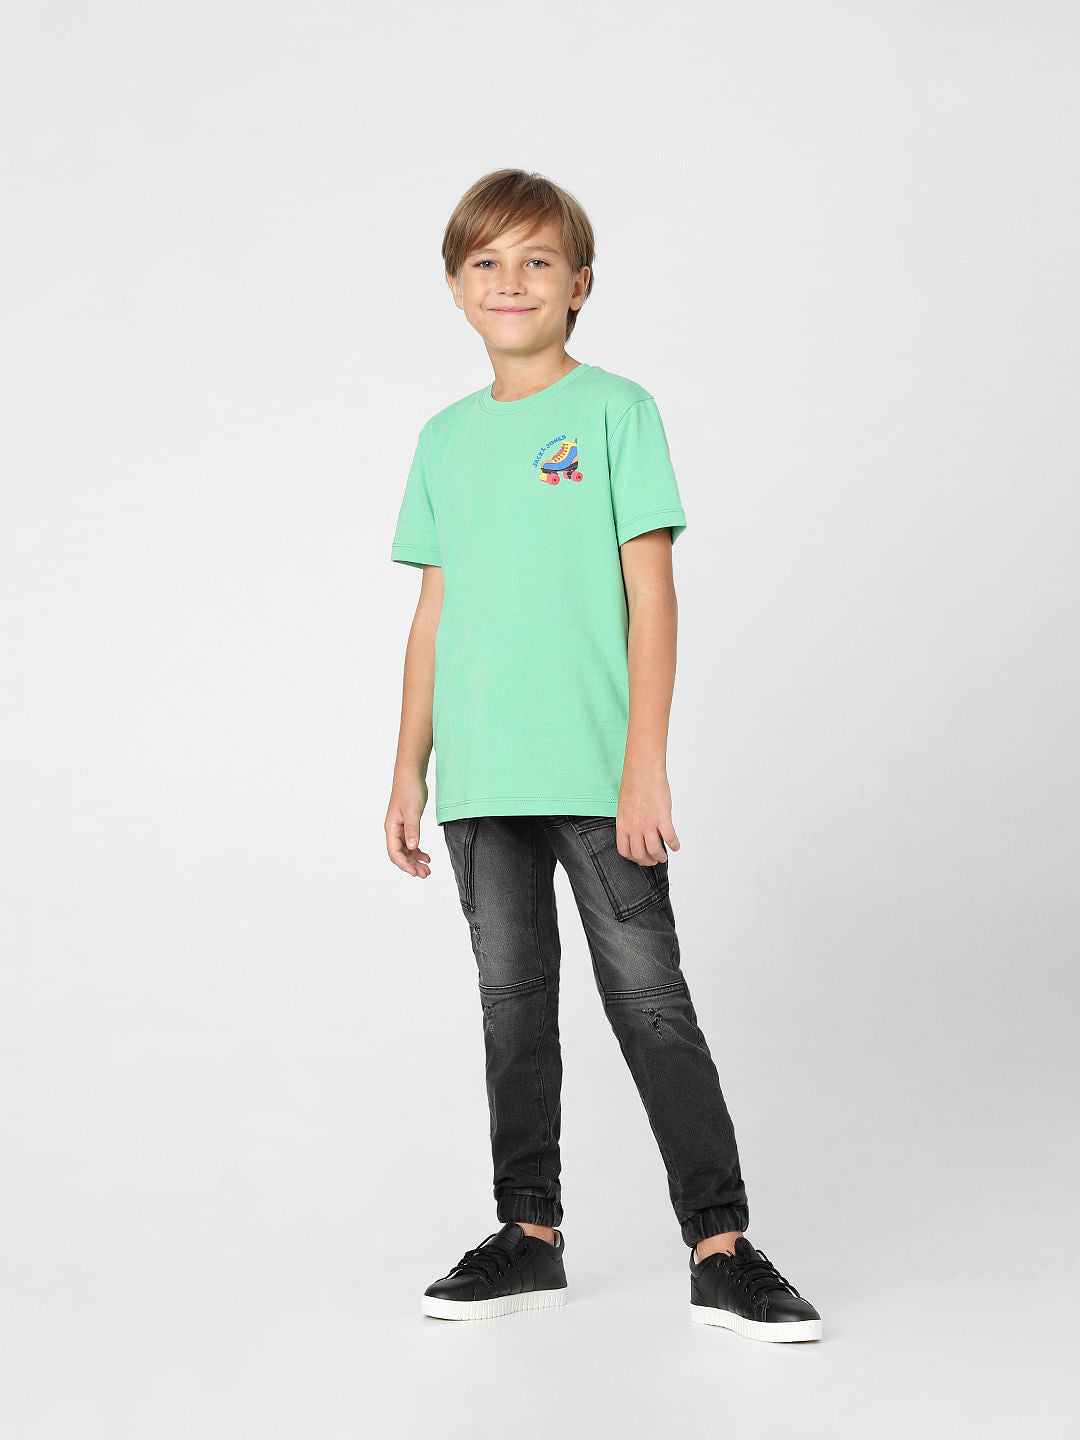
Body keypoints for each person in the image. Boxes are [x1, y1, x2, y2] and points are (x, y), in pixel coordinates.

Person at [385, 168, 822, 1343]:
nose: (510, 281)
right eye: (485, 262)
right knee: (512, 1008)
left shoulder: (619, 413)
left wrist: (645, 765)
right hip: (482, 782)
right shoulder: (442, 439)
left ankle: (722, 1249)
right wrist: (409, 768)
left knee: (650, 1001)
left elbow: (653, 595)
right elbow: (433, 616)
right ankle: (528, 1237)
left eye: (536, 261)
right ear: (454, 287)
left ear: (579, 284)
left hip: (594, 773)